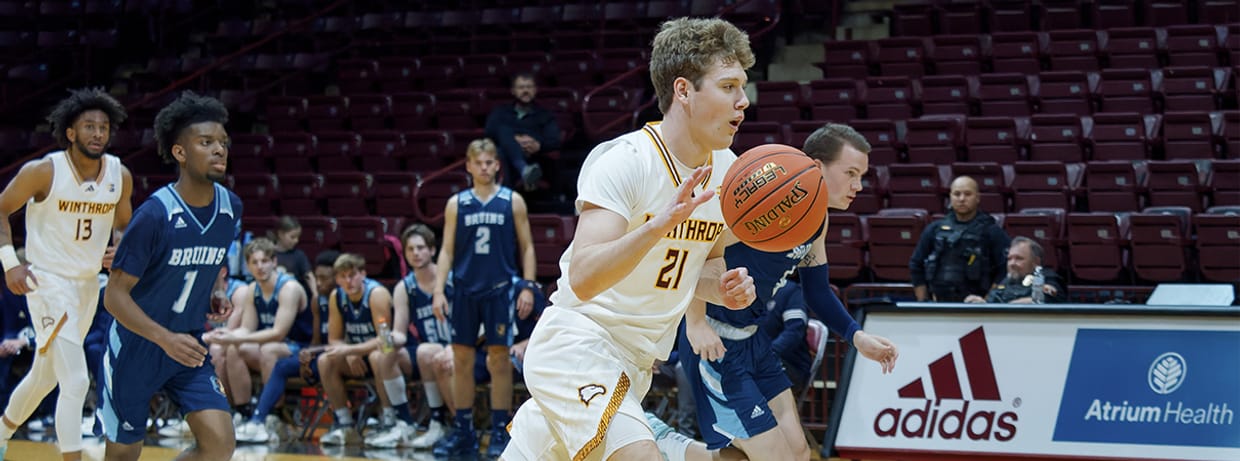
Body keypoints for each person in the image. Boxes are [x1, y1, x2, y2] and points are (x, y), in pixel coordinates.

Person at [503, 17, 761, 461]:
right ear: (683, 90)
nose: (743, 102)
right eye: (729, 86)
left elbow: (706, 261)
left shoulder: (726, 170)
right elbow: (583, 277)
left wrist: (722, 286)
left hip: (635, 363)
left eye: (743, 86)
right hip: (579, 343)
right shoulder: (625, 161)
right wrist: (658, 225)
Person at [677, 123, 898, 461]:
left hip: (754, 339)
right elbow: (695, 250)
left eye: (862, 176)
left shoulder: (817, 221)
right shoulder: (763, 204)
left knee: (797, 452)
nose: (858, 186)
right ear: (817, 166)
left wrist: (856, 336)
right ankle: (666, 445)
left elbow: (817, 292)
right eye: (851, 173)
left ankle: (667, 447)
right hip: (714, 343)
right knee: (775, 456)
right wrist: (695, 323)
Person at [98, 91, 240, 461]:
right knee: (124, 455)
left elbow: (209, 264)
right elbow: (114, 297)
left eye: (222, 142)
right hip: (137, 347)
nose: (219, 150)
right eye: (206, 142)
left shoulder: (230, 207)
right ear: (180, 152)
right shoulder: (154, 215)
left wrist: (217, 291)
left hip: (188, 345)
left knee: (220, 445)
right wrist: (164, 339)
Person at [0, 87, 132, 461]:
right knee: (75, 380)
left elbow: (125, 223)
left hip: (89, 285)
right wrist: (10, 262)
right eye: (89, 126)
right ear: (71, 133)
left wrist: (120, 244)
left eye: (103, 127)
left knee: (46, 376)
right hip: (47, 282)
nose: (97, 134)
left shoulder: (119, 174)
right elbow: (1, 210)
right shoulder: (43, 170)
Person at [431, 138, 538, 457]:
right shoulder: (457, 204)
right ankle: (463, 431)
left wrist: (528, 286)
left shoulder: (512, 201)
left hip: (500, 290)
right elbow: (447, 250)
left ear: (497, 165)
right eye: (478, 162)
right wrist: (438, 289)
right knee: (461, 360)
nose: (484, 167)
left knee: (499, 361)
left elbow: (528, 247)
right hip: (464, 290)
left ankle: (499, 433)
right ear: (467, 165)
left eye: (490, 161)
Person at [232, 249, 337, 444]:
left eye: (324, 278)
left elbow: (340, 342)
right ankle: (255, 418)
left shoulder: (340, 298)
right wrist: (309, 355)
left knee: (272, 351)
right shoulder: (317, 300)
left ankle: (344, 422)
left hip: (339, 357)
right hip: (319, 355)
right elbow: (315, 342)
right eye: (317, 277)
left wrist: (313, 352)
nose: (319, 283)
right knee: (276, 364)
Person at [203, 237, 308, 424]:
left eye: (265, 261)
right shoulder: (253, 289)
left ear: (274, 262)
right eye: (254, 262)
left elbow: (278, 333)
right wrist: (225, 336)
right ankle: (242, 411)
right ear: (248, 266)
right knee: (233, 349)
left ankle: (274, 415)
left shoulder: (289, 288)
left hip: (299, 348)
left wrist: (234, 338)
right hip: (270, 346)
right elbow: (246, 329)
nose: (260, 267)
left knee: (269, 350)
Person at [364, 223, 451, 448]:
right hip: (426, 354)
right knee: (385, 355)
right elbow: (400, 333)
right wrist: (389, 340)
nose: (416, 253)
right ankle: (404, 423)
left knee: (425, 351)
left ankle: (438, 422)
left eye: (421, 248)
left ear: (432, 250)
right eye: (410, 249)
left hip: (454, 349)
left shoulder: (449, 280)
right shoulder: (405, 287)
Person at [315, 253, 394, 446]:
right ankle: (344, 423)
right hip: (357, 355)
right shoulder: (337, 296)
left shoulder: (377, 294)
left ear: (363, 274)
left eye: (352, 275)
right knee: (325, 360)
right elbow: (334, 339)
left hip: (387, 355)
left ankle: (389, 419)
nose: (348, 281)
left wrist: (352, 351)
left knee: (378, 356)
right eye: (342, 276)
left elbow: (386, 341)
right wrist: (349, 352)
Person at [909, 176, 1011, 302]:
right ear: (950, 197)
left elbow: (1006, 269)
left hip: (978, 305)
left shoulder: (992, 231)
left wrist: (988, 301)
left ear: (977, 197)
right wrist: (923, 302)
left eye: (968, 194)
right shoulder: (934, 229)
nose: (962, 199)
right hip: (939, 304)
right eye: (957, 194)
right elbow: (916, 264)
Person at [484, 72, 562, 190]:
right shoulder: (500, 112)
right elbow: (489, 133)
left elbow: (554, 141)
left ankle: (506, 197)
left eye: (529, 87)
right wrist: (514, 141)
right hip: (505, 158)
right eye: (521, 87)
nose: (525, 91)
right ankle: (523, 169)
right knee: (503, 138)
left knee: (503, 146)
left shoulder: (545, 114)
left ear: (535, 90)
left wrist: (538, 145)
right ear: (513, 91)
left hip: (535, 158)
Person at [965, 237, 1066, 304]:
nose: (1012, 263)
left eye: (1019, 258)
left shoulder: (1047, 278)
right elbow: (992, 302)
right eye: (1009, 259)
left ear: (1036, 262)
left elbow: (1047, 300)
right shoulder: (1006, 280)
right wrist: (981, 303)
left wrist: (1010, 307)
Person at [758, 280, 812, 391]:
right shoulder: (747, 290)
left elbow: (794, 331)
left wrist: (766, 354)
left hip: (790, 364)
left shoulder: (792, 291)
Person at [272, 215, 313, 292]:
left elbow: (309, 276)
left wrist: (315, 294)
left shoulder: (299, 255)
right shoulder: (269, 253)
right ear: (280, 234)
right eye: (292, 237)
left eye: (298, 237)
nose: (296, 240)